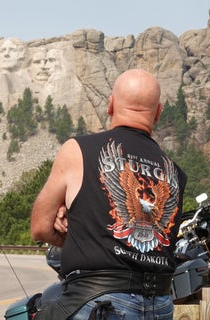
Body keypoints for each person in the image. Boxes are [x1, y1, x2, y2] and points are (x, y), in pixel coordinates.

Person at [30, 68, 187, 319]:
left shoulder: (78, 150)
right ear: (158, 113)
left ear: (110, 104)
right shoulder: (175, 173)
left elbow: (40, 227)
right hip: (160, 305)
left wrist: (83, 235)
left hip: (98, 301)